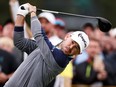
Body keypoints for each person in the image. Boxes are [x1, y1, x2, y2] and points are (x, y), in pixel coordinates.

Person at [4, 3, 89, 87]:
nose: (71, 47)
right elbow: (19, 42)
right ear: (67, 36)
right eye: (73, 42)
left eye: (76, 48)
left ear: (78, 53)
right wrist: (21, 14)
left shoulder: (60, 60)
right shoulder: (44, 48)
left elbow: (39, 35)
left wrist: (33, 13)